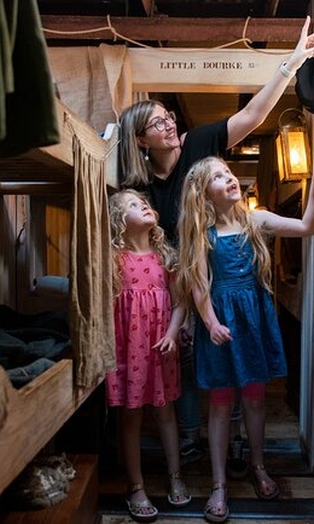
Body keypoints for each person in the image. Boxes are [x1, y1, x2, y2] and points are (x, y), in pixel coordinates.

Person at [117, 15, 314, 472]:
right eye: (156, 123)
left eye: (168, 116)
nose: (168, 124)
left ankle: (233, 445)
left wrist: (291, 64)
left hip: (214, 271)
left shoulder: (199, 144)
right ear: (141, 140)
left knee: (227, 359)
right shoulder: (138, 184)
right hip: (178, 280)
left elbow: (252, 116)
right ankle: (192, 442)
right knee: (189, 359)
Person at [175, 151, 314, 523]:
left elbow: (308, 226)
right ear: (203, 194)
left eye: (228, 172)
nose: (229, 177)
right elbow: (199, 285)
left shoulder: (255, 220)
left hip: (253, 321)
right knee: (220, 403)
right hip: (220, 323)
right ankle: (218, 484)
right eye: (218, 176)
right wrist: (211, 323)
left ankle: (258, 466)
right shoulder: (203, 234)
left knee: (255, 400)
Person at [106, 189, 191, 523]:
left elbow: (181, 301)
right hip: (128, 350)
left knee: (166, 412)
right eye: (132, 204)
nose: (142, 205)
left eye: (143, 202)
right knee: (131, 416)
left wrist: (172, 333)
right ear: (118, 220)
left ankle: (175, 476)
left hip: (159, 347)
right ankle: (136, 486)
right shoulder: (113, 258)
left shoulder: (164, 257)